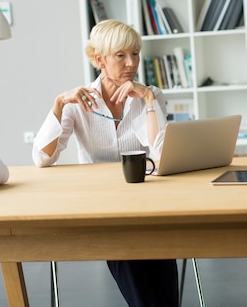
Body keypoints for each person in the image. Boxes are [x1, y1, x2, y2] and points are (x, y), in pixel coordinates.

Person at [32, 19, 178, 307]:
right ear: (99, 60)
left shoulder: (147, 96)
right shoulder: (77, 102)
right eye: (120, 55)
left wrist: (148, 99)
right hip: (103, 206)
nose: (131, 63)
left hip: (148, 202)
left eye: (135, 53)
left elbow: (160, 154)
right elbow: (42, 158)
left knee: (157, 243)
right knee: (127, 245)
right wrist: (59, 103)